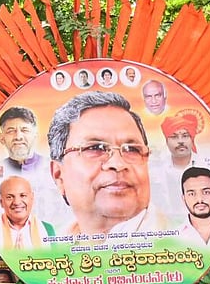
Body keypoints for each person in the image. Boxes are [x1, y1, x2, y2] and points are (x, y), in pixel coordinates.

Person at [48, 91, 161, 236]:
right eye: (95, 148)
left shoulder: (183, 244)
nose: (118, 163)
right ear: (59, 175)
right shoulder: (45, 247)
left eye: (131, 149)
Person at [0, 176, 54, 250]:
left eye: (23, 196)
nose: (17, 202)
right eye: (10, 197)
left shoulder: (48, 230)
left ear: (32, 198)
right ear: (1, 201)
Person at [178, 167, 210, 247]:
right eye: (191, 194)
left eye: (206, 192)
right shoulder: (175, 236)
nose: (200, 199)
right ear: (184, 199)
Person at [0, 107, 47, 175]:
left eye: (25, 130)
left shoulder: (51, 167)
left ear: (35, 136)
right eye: (11, 131)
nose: (18, 137)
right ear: (2, 138)